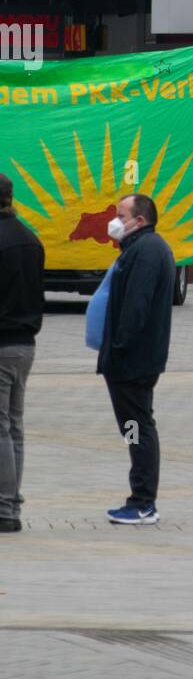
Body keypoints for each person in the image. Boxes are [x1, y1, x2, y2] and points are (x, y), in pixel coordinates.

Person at [98, 194, 175, 525]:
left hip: (133, 360)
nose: (114, 220)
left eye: (120, 214)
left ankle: (143, 501)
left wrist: (118, 347)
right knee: (135, 427)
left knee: (137, 426)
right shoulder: (142, 248)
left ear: (139, 220)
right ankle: (141, 496)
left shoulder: (145, 252)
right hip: (134, 358)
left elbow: (136, 306)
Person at [0, 173, 44, 533]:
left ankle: (5, 510)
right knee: (14, 426)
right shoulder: (29, 238)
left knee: (1, 428)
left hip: (0, 345)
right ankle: (11, 503)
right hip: (25, 344)